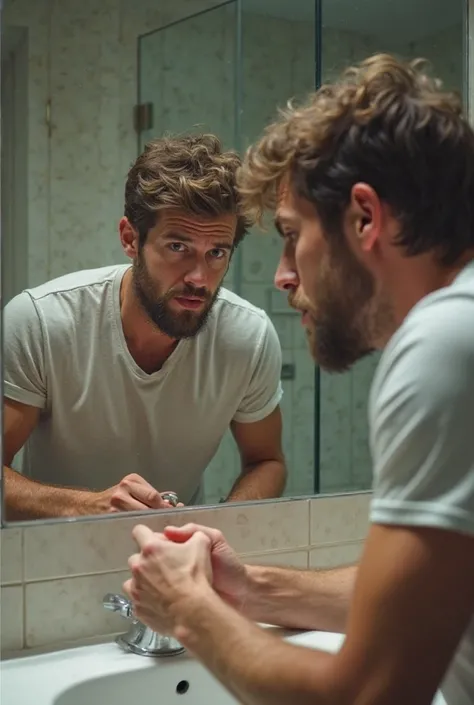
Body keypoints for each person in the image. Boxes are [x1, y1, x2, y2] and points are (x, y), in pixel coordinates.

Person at [123, 55, 474, 705]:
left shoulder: (443, 343)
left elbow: (369, 692)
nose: (284, 274)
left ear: (364, 218)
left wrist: (188, 606)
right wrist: (250, 587)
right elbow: (426, 596)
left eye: (291, 236)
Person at [3, 134, 287, 521]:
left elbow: (267, 461)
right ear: (129, 238)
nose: (199, 277)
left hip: (174, 552)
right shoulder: (41, 322)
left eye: (216, 252)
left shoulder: (248, 338)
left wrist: (216, 528)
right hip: (55, 557)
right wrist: (91, 506)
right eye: (177, 247)